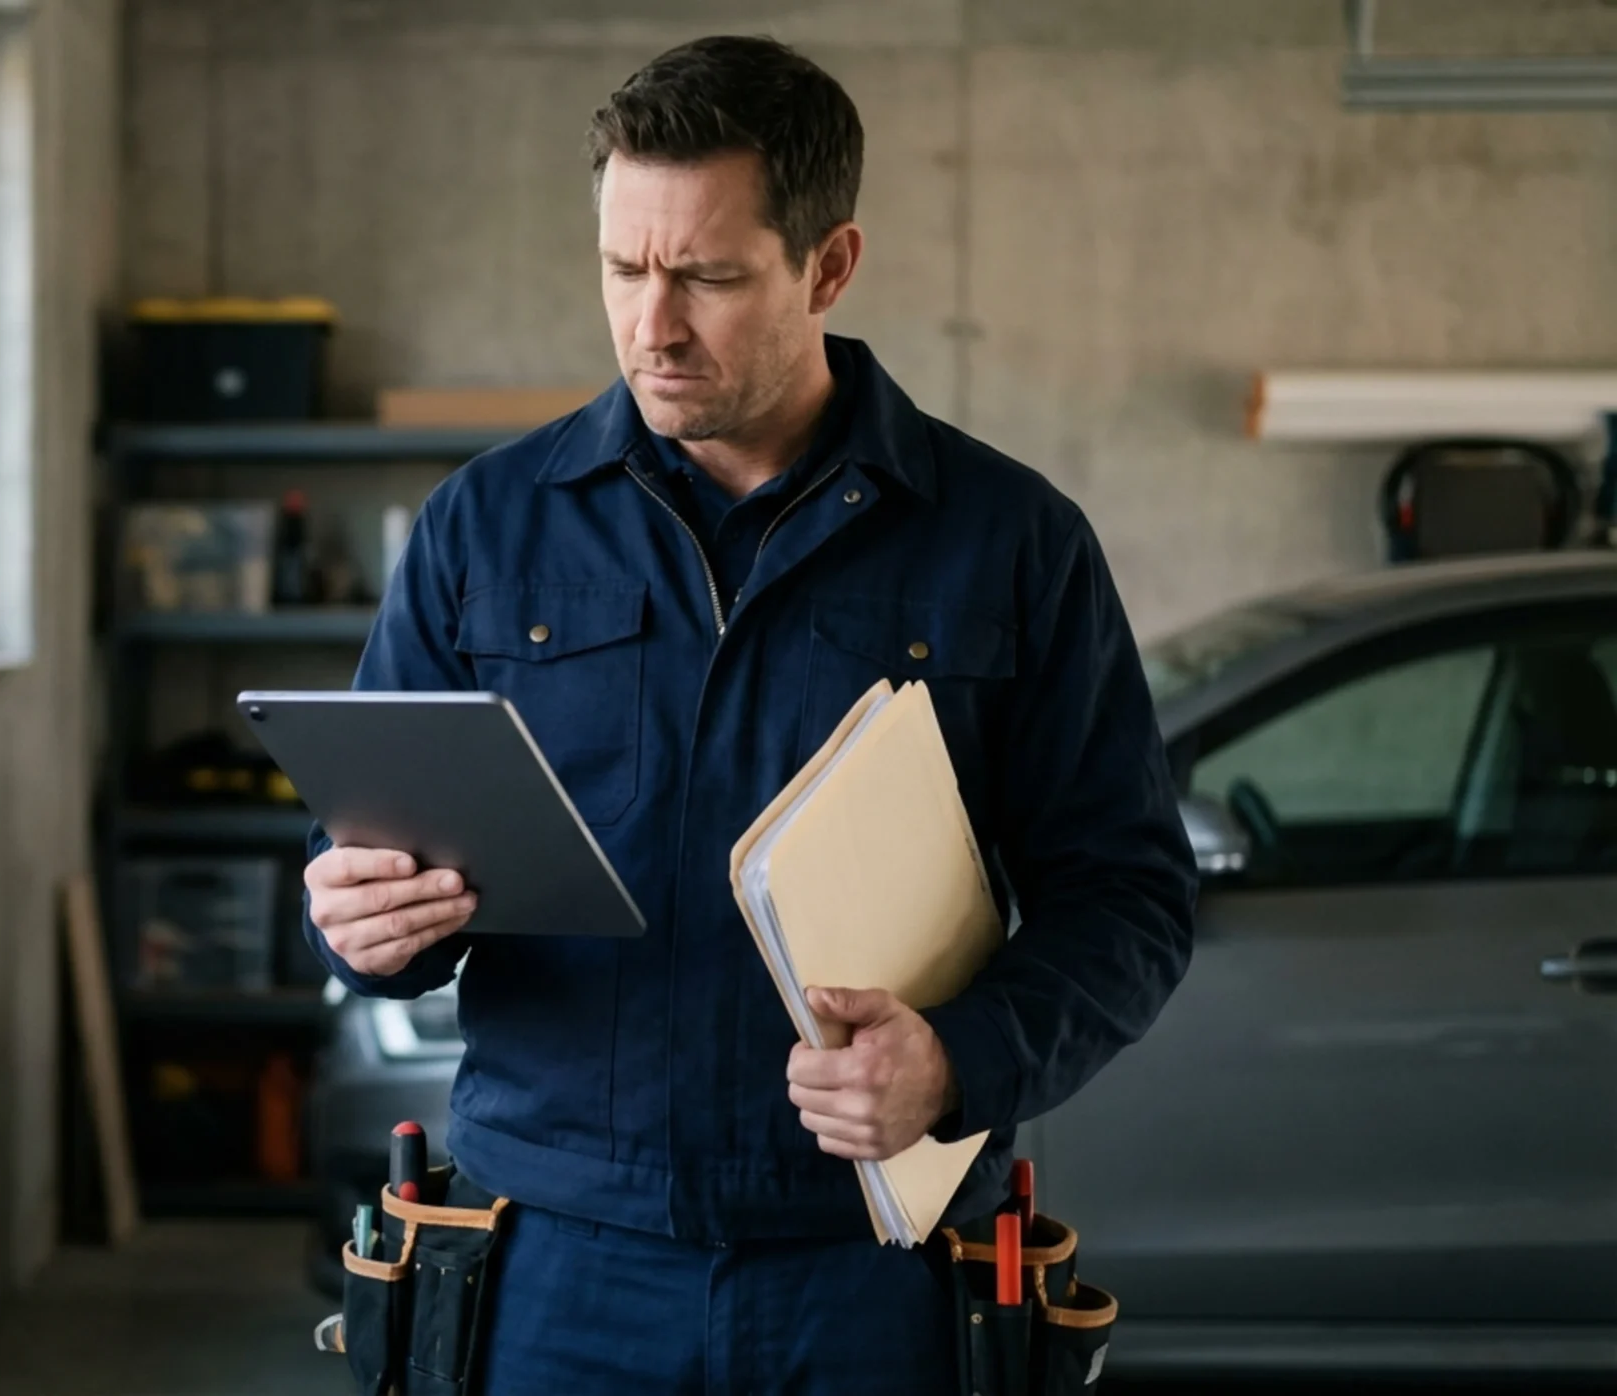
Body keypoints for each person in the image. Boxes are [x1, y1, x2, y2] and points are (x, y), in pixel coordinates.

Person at [300, 34, 1197, 1395]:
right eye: (622, 269)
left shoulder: (1009, 544)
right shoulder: (484, 530)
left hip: (867, 1268)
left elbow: (1127, 897)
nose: (652, 323)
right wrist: (366, 927)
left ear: (828, 267)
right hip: (551, 1259)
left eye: (708, 277)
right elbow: (385, 876)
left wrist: (960, 1059)